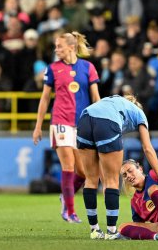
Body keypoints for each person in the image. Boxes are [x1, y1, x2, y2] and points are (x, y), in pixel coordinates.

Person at [76, 95, 158, 239]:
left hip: (84, 119)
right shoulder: (139, 113)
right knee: (112, 181)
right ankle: (112, 232)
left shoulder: (114, 101)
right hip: (107, 122)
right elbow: (148, 148)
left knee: (90, 179)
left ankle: (94, 230)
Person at [33, 31, 101, 223]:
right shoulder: (52, 69)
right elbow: (45, 98)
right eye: (55, 46)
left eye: (59, 46)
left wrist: (101, 121)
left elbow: (96, 98)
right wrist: (38, 126)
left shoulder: (88, 67)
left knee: (83, 172)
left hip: (82, 123)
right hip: (60, 122)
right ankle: (69, 211)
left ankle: (66, 196)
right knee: (68, 165)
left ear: (71, 47)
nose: (56, 50)